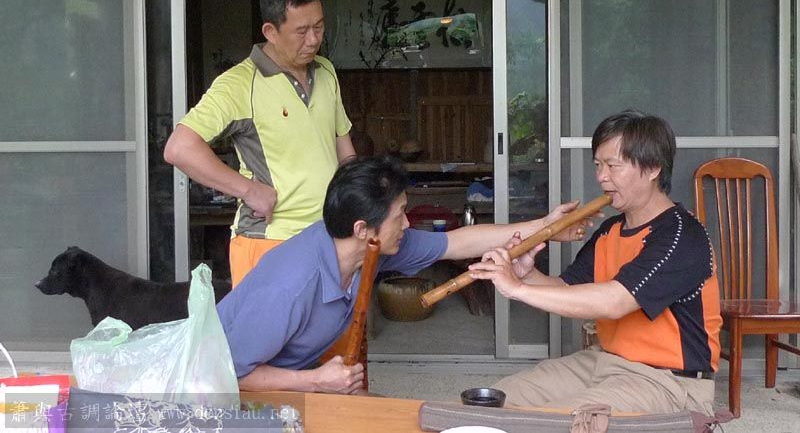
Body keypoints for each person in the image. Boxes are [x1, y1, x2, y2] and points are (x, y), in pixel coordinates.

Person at [217, 155, 593, 394]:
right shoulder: (289, 286)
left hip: (284, 386)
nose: (408, 223)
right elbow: (228, 375)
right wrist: (314, 381)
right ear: (363, 228)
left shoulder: (368, 246)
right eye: (400, 214)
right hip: (220, 397)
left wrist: (545, 227)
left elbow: (458, 242)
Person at [469, 110, 722, 415]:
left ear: (653, 167)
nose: (602, 177)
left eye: (613, 166)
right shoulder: (610, 230)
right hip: (605, 362)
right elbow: (566, 289)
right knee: (496, 400)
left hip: (668, 381)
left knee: (554, 422)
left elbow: (615, 302)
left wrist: (516, 289)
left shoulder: (683, 236)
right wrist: (527, 274)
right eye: (598, 165)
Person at [164, 0, 355, 287]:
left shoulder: (325, 71)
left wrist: (357, 197)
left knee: (331, 320)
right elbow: (179, 148)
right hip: (270, 241)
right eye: (301, 31)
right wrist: (248, 190)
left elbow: (343, 149)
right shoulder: (240, 83)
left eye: (319, 27)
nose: (313, 40)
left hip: (328, 234)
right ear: (271, 32)